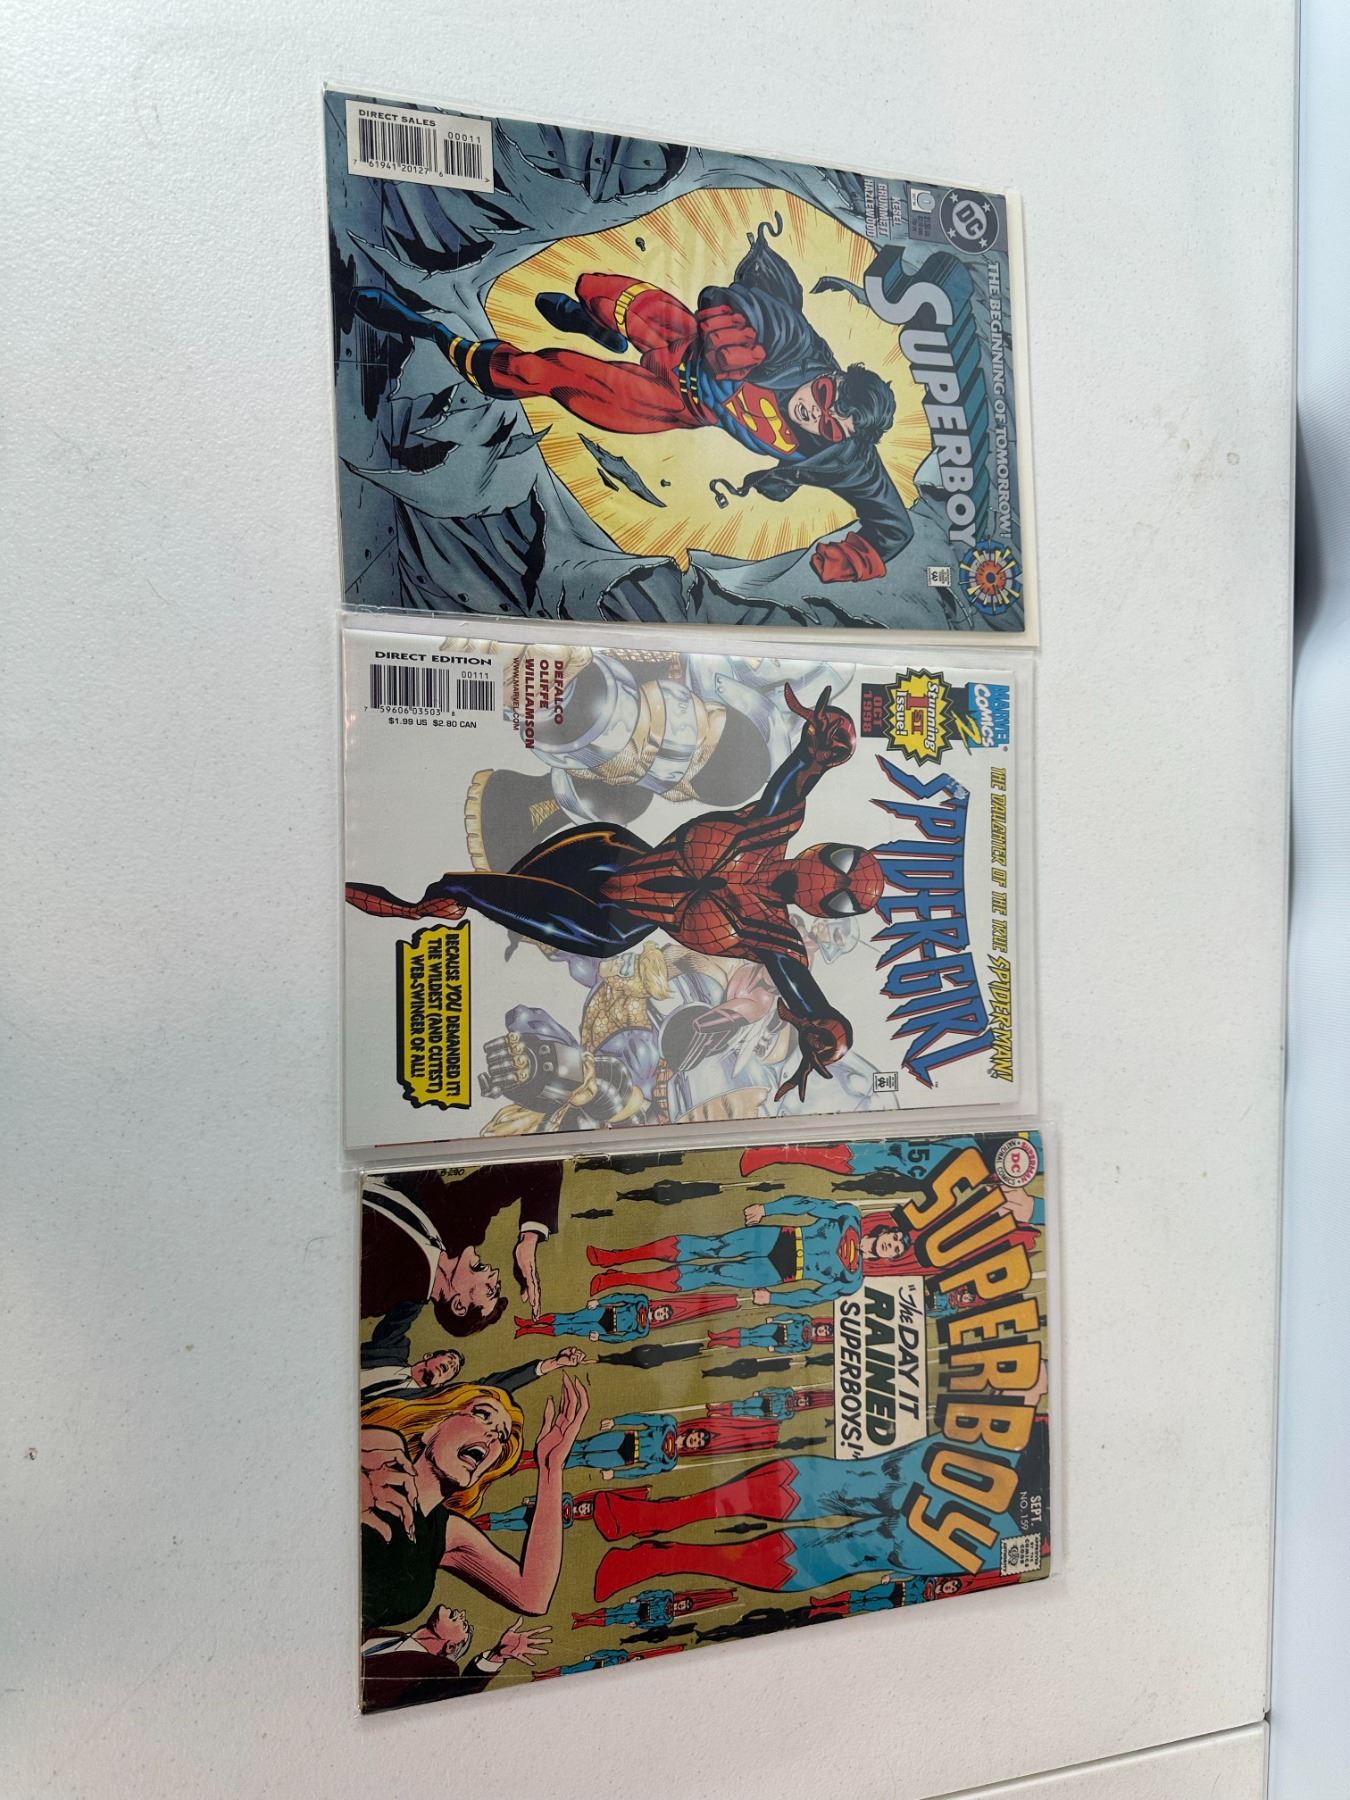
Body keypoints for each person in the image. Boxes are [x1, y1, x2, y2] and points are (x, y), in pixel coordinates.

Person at [347, 687, 884, 1101]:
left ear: (828, 910)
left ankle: (423, 904)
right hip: (608, 851)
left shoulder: (776, 939)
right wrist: (824, 744)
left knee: (462, 889)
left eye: (842, 898)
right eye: (841, 866)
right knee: (504, 869)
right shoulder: (774, 824)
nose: (831, 882)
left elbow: (814, 1004)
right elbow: (805, 766)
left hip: (611, 922)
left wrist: (828, 1033)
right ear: (826, 848)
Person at [349, 219, 912, 584]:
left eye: (830, 427)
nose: (814, 415)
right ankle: (599, 327)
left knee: (533, 374)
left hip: (673, 402)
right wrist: (734, 327)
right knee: (593, 287)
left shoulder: (845, 460)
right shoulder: (800, 348)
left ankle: (428, 330)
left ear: (843, 440)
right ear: (830, 377)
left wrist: (856, 556)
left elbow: (894, 525)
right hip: (683, 339)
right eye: (824, 398)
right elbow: (745, 305)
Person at [588, 1422, 1046, 1601]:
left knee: (868, 1548)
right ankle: (658, 1517)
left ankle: (659, 1560)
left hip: (1036, 1531)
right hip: (1024, 1456)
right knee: (862, 1483)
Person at [359, 1376, 589, 1629]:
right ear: (433, 1427)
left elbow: (533, 1596)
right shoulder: (380, 1451)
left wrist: (550, 1467)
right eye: (481, 1414)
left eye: (502, 1436)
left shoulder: (446, 1532)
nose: (493, 1436)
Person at [586, 1195, 913, 1307]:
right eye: (895, 1238)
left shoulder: (853, 1280)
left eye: (896, 1250)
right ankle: (616, 1257)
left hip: (779, 1273)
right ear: (886, 1230)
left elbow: (812, 1297)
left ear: (890, 1258)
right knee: (710, 1246)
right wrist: (768, 1209)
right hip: (779, 1239)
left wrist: (775, 1299)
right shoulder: (850, 1216)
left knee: (710, 1274)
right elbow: (808, 1205)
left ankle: (618, 1279)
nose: (892, 1245)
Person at [360, 1162, 563, 1336]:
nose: (495, 1273)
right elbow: (541, 1165)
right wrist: (528, 1241)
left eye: (490, 1290)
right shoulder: (462, 1226)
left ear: (458, 1305)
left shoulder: (378, 1295)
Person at [361, 1302, 586, 1402]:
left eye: (453, 1370)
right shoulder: (393, 1348)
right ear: (429, 1356)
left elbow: (494, 1385)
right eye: (450, 1359)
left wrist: (554, 1363)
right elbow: (402, 1315)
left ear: (442, 1383)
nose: (451, 1366)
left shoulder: (427, 1401)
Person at [359, 1605, 548, 1712]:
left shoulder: (438, 1670)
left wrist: (497, 1654)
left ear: (450, 1646)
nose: (462, 1614)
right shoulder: (383, 1632)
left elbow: (460, 1691)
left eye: (463, 1626)